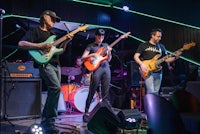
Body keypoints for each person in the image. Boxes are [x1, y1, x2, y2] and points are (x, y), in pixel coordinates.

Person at [18, 10, 73, 133]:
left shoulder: (53, 34)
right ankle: (48, 121)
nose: (54, 22)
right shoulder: (35, 32)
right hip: (45, 64)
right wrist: (40, 46)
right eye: (52, 19)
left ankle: (48, 122)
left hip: (56, 64)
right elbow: (21, 44)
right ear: (45, 17)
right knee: (55, 88)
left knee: (55, 90)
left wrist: (67, 41)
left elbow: (60, 50)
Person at [134, 28, 182, 94]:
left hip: (158, 72)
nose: (160, 38)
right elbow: (136, 56)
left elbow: (167, 59)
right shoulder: (144, 45)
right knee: (151, 91)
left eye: (160, 37)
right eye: (158, 36)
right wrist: (141, 64)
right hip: (148, 71)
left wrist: (176, 57)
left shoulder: (161, 47)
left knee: (156, 92)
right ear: (152, 36)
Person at [81, 28, 112, 122]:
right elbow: (83, 58)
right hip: (96, 69)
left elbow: (109, 59)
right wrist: (92, 54)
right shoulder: (90, 46)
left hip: (106, 67)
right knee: (92, 90)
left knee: (105, 91)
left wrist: (109, 52)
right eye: (99, 36)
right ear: (96, 36)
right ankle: (86, 112)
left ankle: (106, 112)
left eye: (102, 36)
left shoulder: (105, 45)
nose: (100, 38)